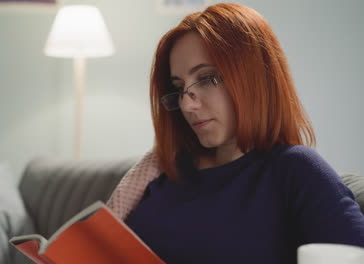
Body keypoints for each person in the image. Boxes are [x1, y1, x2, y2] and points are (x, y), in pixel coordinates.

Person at [106, 3, 364, 264]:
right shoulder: (160, 170)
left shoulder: (296, 170)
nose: (187, 105)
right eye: (179, 88)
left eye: (206, 78)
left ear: (255, 77)